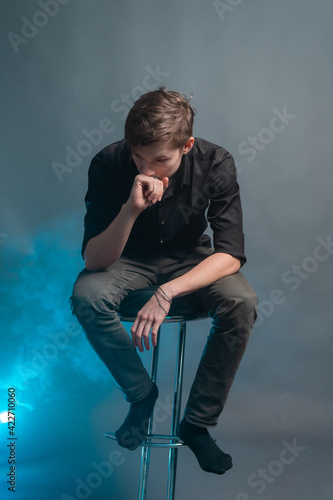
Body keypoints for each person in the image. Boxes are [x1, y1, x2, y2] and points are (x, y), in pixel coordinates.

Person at [70, 87, 257, 475]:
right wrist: (130, 210)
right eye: (139, 156)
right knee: (86, 295)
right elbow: (95, 260)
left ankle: (197, 424)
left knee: (241, 300)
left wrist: (167, 291)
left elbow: (231, 253)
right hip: (127, 258)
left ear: (186, 145)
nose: (148, 167)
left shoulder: (216, 161)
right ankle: (141, 393)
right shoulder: (108, 162)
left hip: (190, 258)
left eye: (160, 159)